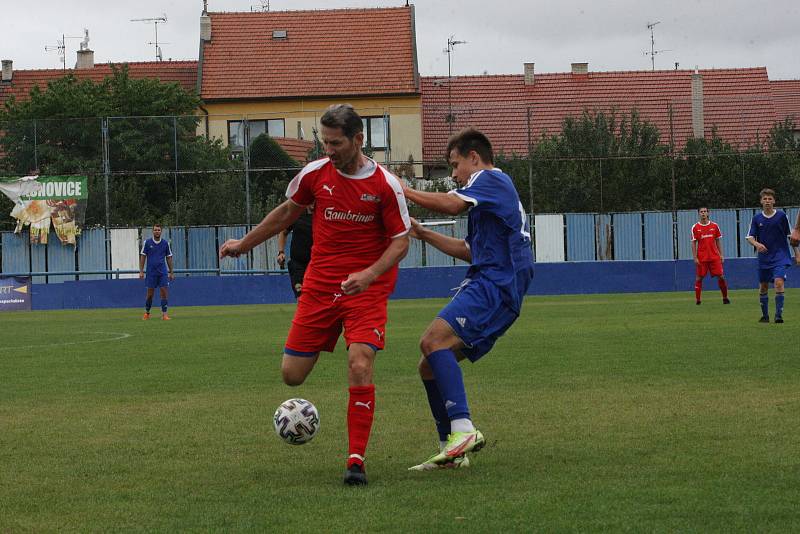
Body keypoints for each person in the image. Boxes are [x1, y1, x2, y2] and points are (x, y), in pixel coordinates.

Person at [219, 104, 410, 485]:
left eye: (336, 143)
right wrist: (245, 242)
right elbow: (287, 212)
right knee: (292, 376)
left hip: (365, 291)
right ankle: (330, 343)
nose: (330, 150)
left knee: (359, 362)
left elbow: (401, 242)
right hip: (320, 287)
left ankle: (356, 460)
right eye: (325, 143)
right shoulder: (315, 174)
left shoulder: (385, 185)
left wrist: (369, 275)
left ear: (359, 139)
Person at [401, 128, 535, 471]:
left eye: (455, 165)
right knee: (429, 364)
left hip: (496, 284)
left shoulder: (489, 179)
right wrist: (422, 232)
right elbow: (469, 250)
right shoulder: (490, 195)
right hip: (494, 282)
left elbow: (451, 202)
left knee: (432, 341)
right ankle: (451, 451)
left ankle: (463, 429)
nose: (454, 174)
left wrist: (403, 190)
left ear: (474, 158)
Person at [745, 188, 796, 323]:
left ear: (774, 201)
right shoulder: (756, 218)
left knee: (779, 282)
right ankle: (765, 316)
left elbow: (792, 236)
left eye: (770, 199)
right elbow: (749, 237)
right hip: (764, 258)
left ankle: (778, 315)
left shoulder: (781, 216)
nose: (767, 201)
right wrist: (757, 244)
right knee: (763, 286)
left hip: (780, 256)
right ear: (761, 201)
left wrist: (797, 254)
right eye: (765, 199)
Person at [691, 207, 730, 305]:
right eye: (701, 212)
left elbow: (718, 241)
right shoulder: (695, 227)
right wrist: (695, 257)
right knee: (699, 278)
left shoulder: (714, 226)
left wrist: (721, 255)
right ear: (699, 214)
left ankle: (725, 297)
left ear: (708, 213)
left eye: (705, 211)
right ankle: (698, 300)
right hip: (702, 258)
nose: (703, 213)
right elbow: (693, 243)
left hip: (714, 257)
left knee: (721, 276)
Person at [139, 224, 174, 320]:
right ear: (152, 231)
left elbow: (169, 257)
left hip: (162, 272)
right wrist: (141, 271)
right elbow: (143, 256)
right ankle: (147, 312)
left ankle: (165, 314)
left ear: (161, 231)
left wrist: (171, 272)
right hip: (151, 272)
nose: (157, 231)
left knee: (164, 291)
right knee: (150, 293)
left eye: (158, 230)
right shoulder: (147, 242)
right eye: (155, 230)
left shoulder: (165, 243)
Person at [276, 207, 313, 298]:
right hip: (297, 263)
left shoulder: (322, 217)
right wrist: (281, 252)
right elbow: (283, 232)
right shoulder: (296, 216)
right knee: (300, 293)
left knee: (314, 296)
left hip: (316, 264)